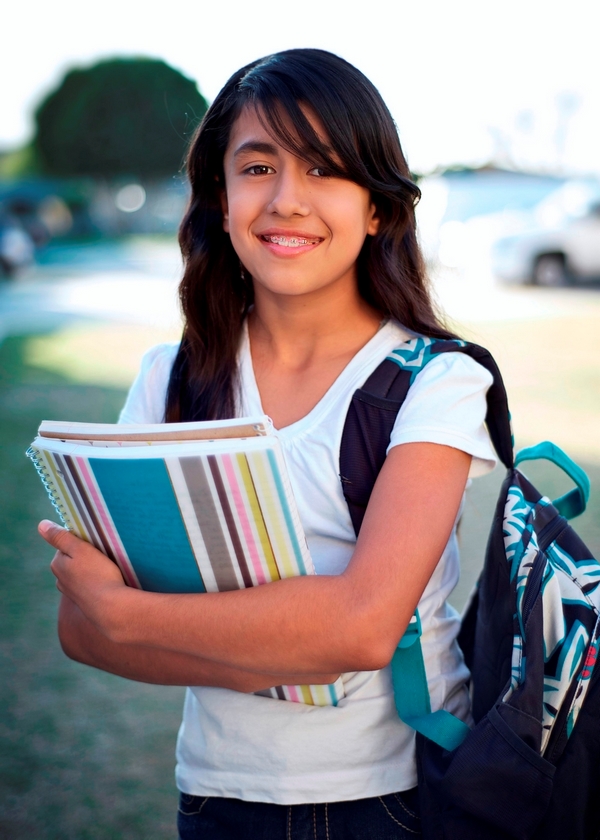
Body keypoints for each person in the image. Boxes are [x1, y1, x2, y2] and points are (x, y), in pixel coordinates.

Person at [39, 49, 496, 839]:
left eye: (325, 169)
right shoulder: (170, 382)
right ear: (221, 199)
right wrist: (289, 640)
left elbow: (358, 629)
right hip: (218, 798)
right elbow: (81, 632)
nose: (288, 200)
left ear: (378, 206)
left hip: (393, 798)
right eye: (258, 166)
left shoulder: (437, 382)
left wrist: (132, 615)